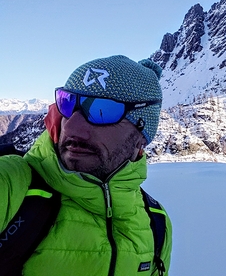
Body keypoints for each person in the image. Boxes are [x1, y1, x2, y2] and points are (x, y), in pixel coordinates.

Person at [0, 55, 172, 275]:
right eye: (67, 103)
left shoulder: (156, 223)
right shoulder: (14, 188)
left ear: (141, 135)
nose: (72, 127)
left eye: (101, 111)